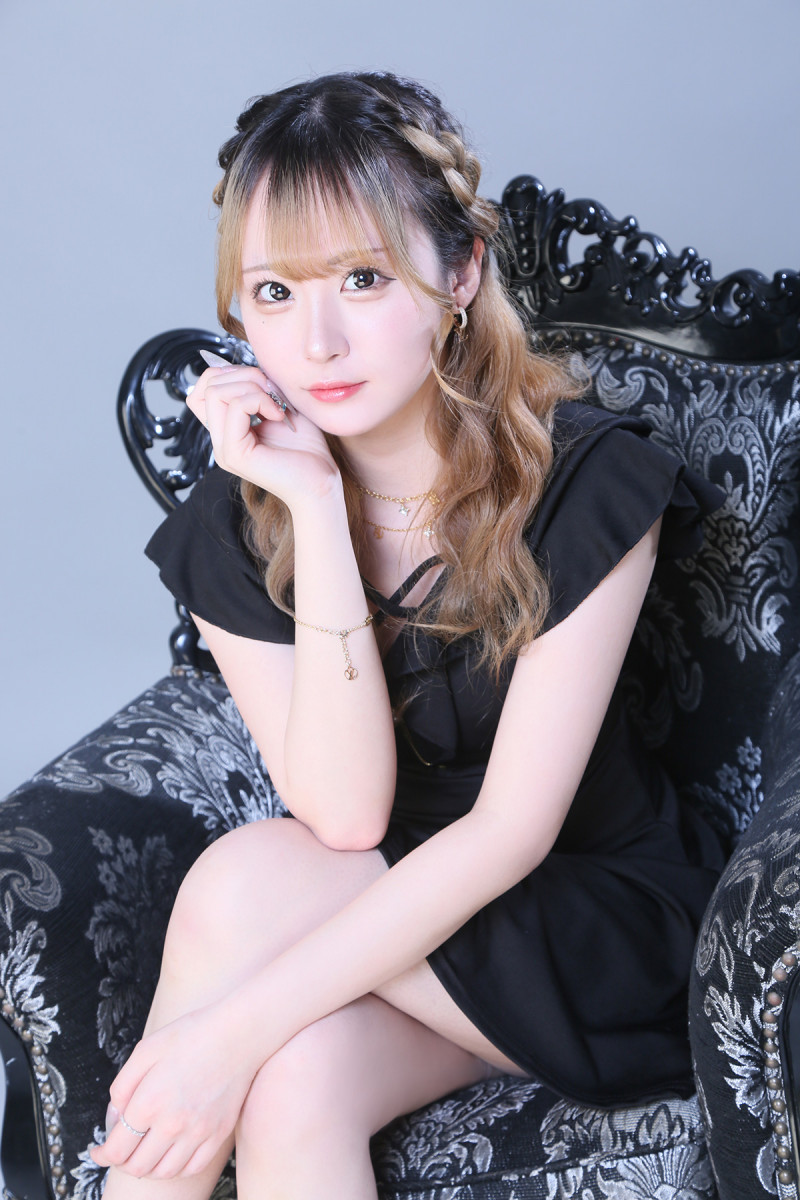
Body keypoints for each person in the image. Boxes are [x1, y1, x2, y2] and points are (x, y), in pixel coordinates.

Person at [91, 70, 725, 1199]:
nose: (318, 340)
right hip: (379, 906)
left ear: (459, 274)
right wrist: (314, 511)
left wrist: (221, 1036)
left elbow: (510, 835)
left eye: (363, 278)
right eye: (274, 292)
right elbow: (345, 816)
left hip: (583, 917)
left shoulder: (584, 483)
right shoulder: (238, 516)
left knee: (244, 886)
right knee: (295, 1089)